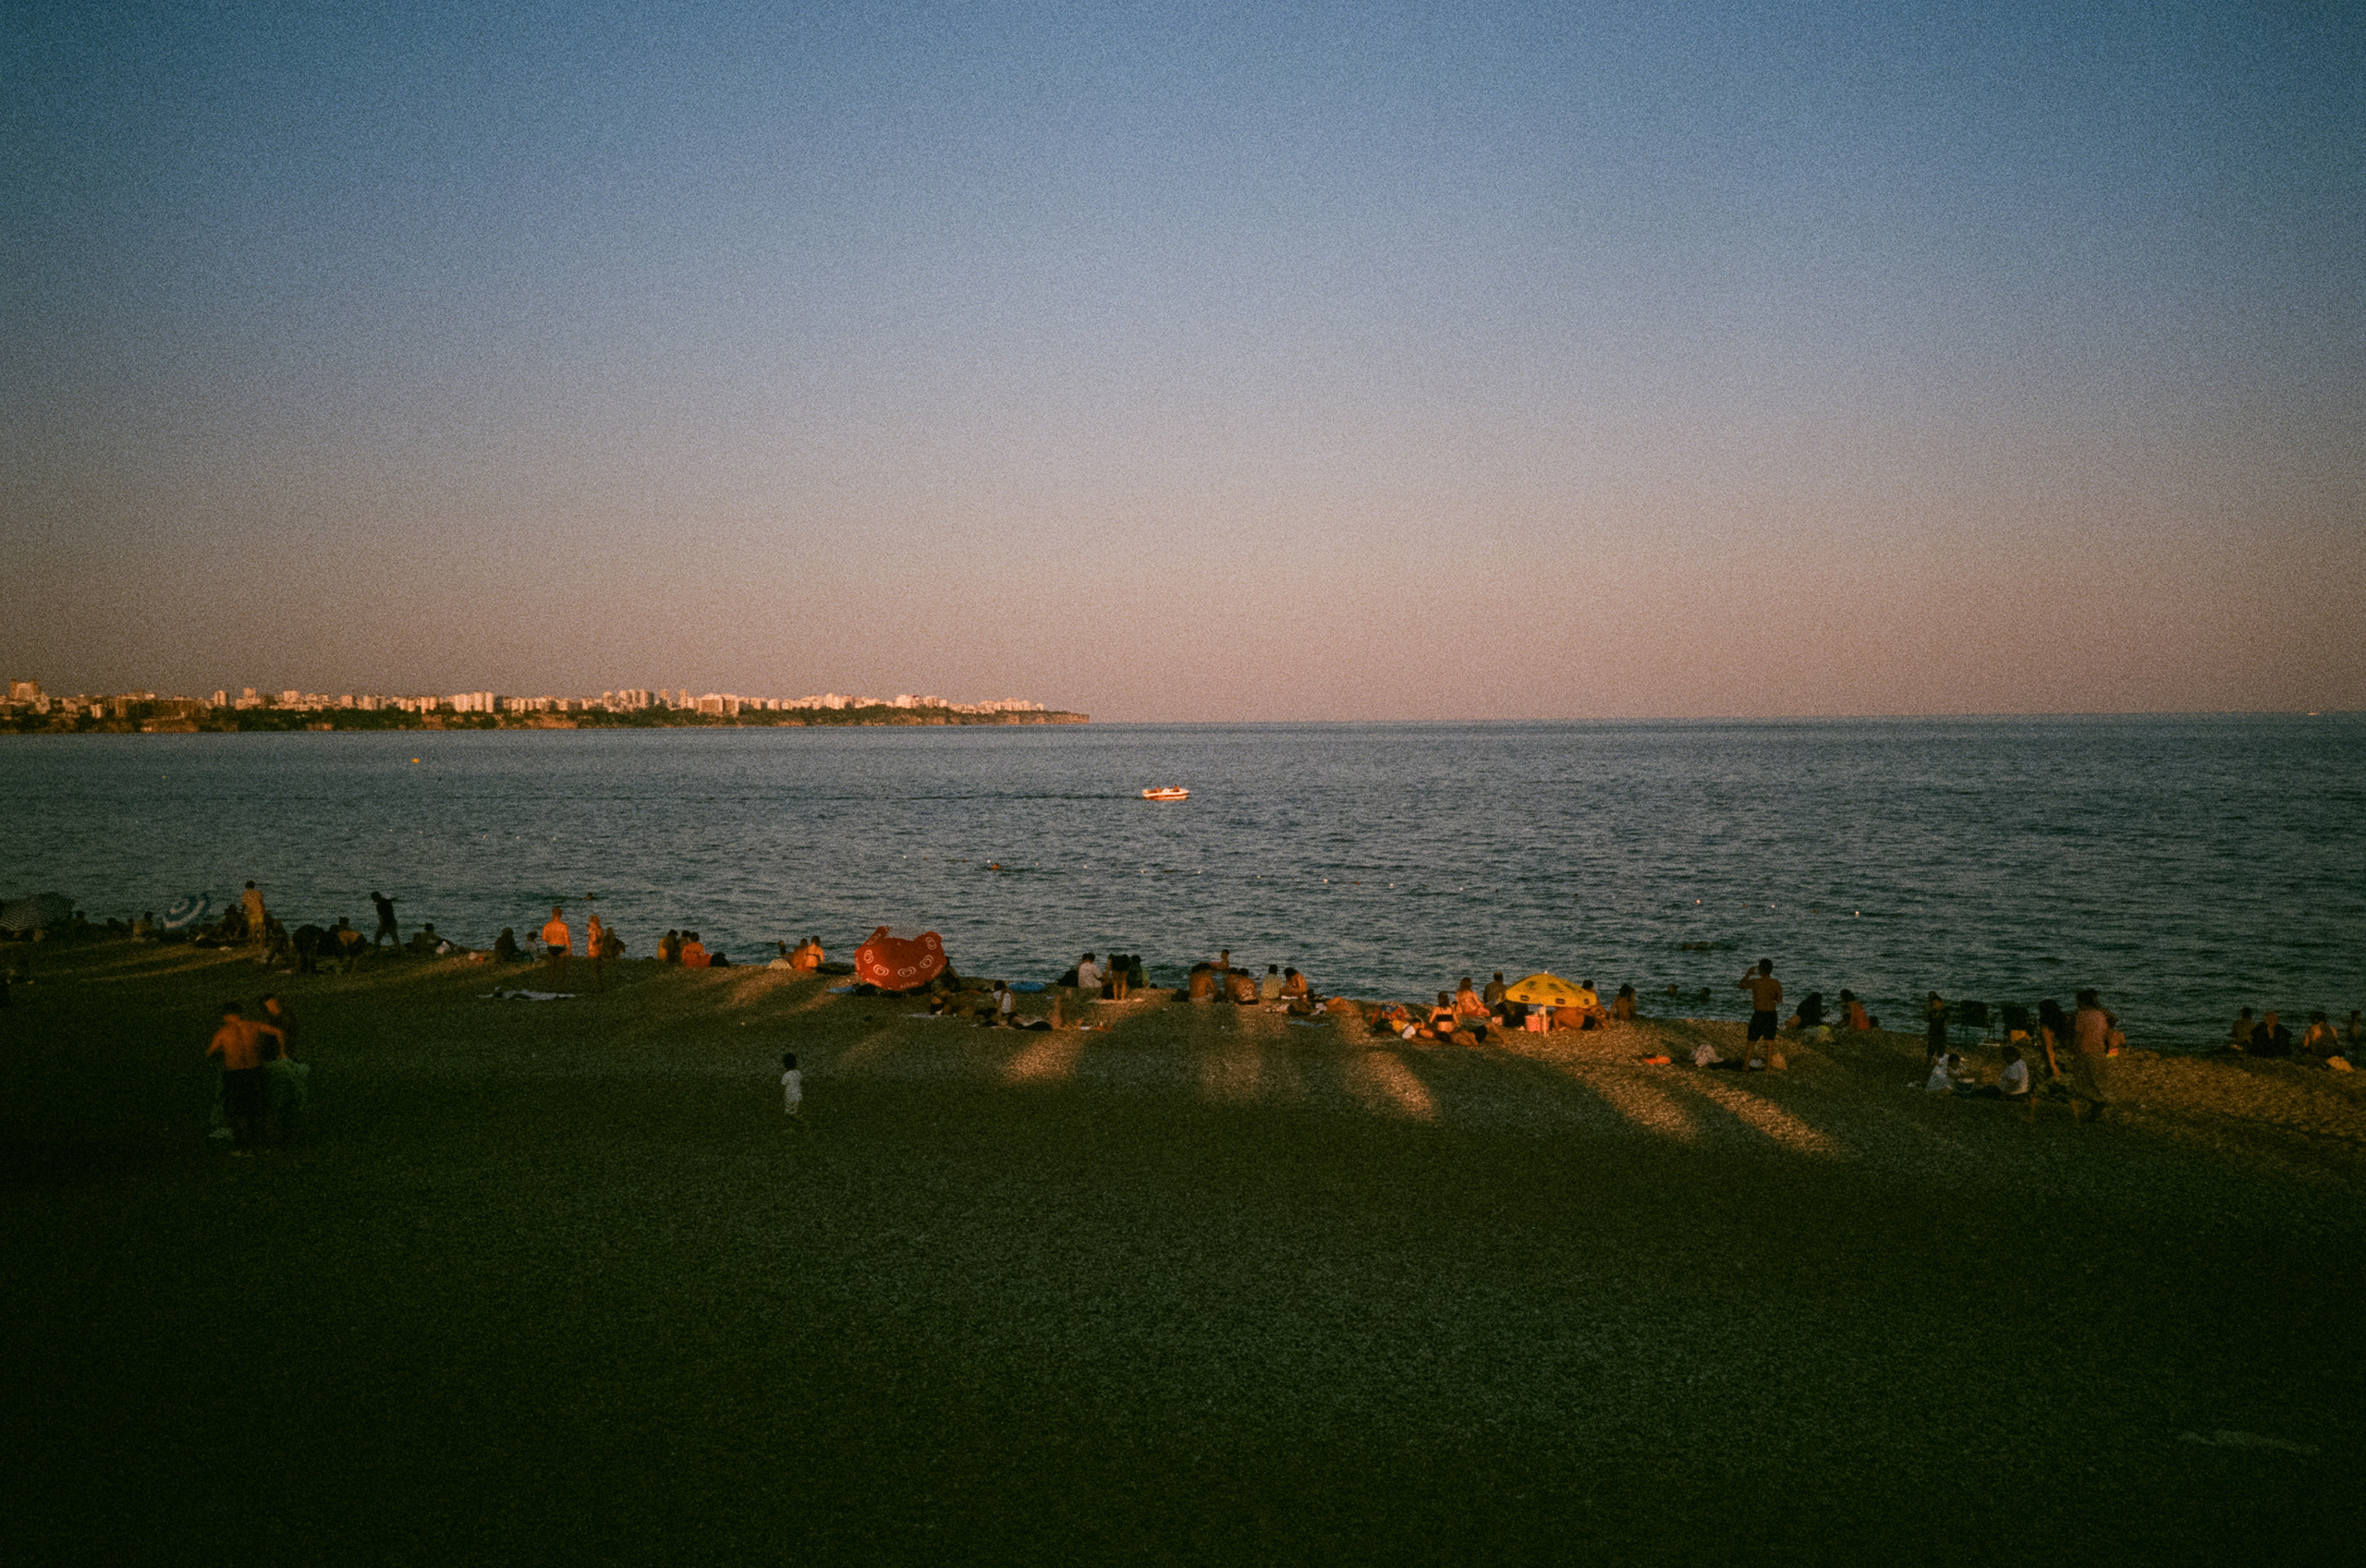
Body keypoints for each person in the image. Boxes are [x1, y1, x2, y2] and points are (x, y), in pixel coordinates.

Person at [207, 1000, 287, 1152]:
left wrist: (224, 1054)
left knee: (237, 1110)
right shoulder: (253, 1025)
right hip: (255, 1071)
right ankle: (260, 1144)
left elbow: (210, 1053)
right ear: (240, 1014)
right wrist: (282, 1052)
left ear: (226, 1016)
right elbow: (279, 1032)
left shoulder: (223, 1033)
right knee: (257, 1107)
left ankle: (241, 1146)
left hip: (235, 1074)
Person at [2067, 989, 2114, 1123]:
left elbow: (2078, 1035)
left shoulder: (2082, 1015)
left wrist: (2073, 1051)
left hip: (2085, 1050)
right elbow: (2106, 1031)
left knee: (2084, 1081)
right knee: (2098, 1079)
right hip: (2099, 1049)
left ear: (2082, 1002)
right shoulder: (2100, 1014)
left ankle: (2098, 1103)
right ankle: (2100, 1105)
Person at [1738, 960, 1783, 1070]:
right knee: (1769, 1042)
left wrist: (1748, 974)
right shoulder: (1775, 983)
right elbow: (1779, 1000)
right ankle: (1768, 1067)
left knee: (1751, 1041)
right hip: (1771, 1014)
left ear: (1760, 970)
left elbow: (1741, 985)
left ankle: (1746, 1065)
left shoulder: (1756, 982)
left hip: (1759, 1014)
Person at [540, 906, 570, 978]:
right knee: (561, 967)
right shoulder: (564, 926)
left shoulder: (547, 925)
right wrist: (569, 951)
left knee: (551, 966)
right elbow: (567, 939)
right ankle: (560, 981)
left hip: (551, 946)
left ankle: (551, 980)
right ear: (560, 915)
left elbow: (543, 938)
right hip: (561, 947)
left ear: (552, 914)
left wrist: (550, 940)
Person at [1923, 992, 1948, 1063]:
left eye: (1936, 1004)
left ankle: (1939, 1060)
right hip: (1933, 1032)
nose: (1934, 1005)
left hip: (1940, 1032)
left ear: (1941, 1003)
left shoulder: (1944, 1012)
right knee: (1931, 1048)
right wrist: (1926, 1011)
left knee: (1940, 1049)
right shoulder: (1932, 1012)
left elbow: (1946, 1021)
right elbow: (1926, 1019)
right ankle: (1929, 1060)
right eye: (1933, 1004)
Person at [241, 881, 268, 947]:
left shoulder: (245, 894)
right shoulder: (258, 893)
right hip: (259, 911)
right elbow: (261, 902)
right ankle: (261, 943)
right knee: (261, 928)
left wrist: (242, 912)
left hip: (251, 912)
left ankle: (254, 943)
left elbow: (243, 905)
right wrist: (264, 910)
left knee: (253, 929)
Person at [780, 1052, 802, 1119]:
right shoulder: (798, 1073)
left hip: (789, 1097)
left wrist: (782, 1097)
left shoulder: (786, 1075)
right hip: (798, 1096)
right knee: (795, 1111)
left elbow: (782, 1087)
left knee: (789, 1113)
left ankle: (801, 1121)